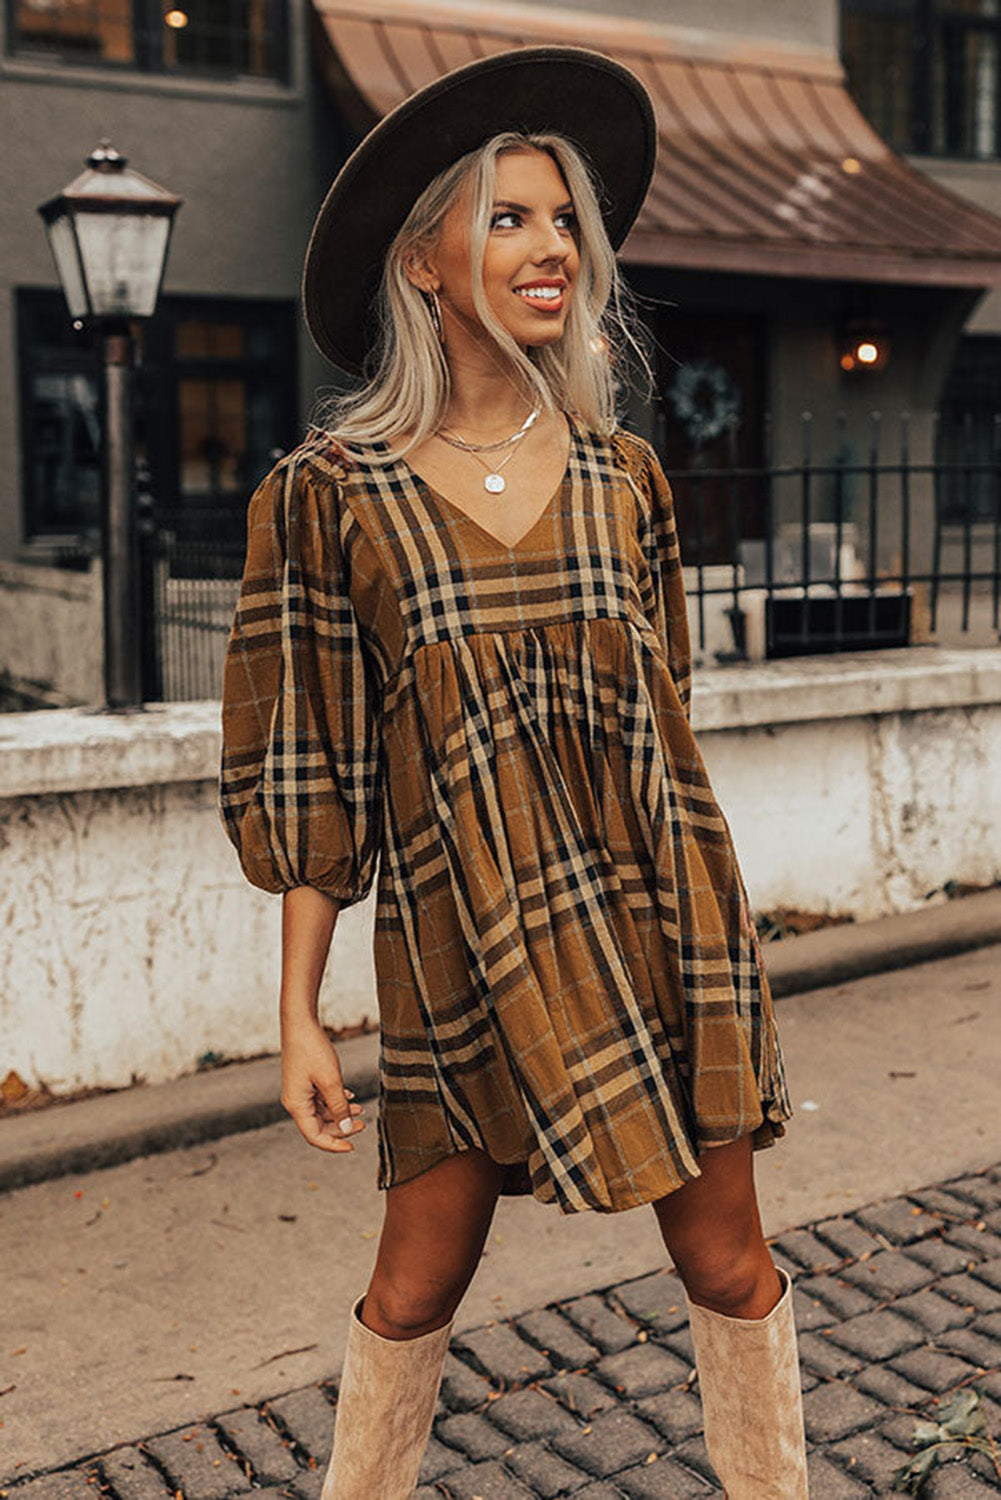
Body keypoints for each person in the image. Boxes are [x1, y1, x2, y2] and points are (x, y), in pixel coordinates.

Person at [218, 45, 808, 1500]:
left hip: (661, 926)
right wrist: (297, 1014)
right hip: (461, 945)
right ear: (422, 262)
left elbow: (659, 718)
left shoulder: (624, 477)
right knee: (414, 1282)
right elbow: (308, 768)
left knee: (730, 1264)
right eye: (507, 218)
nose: (552, 248)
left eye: (563, 221)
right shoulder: (329, 496)